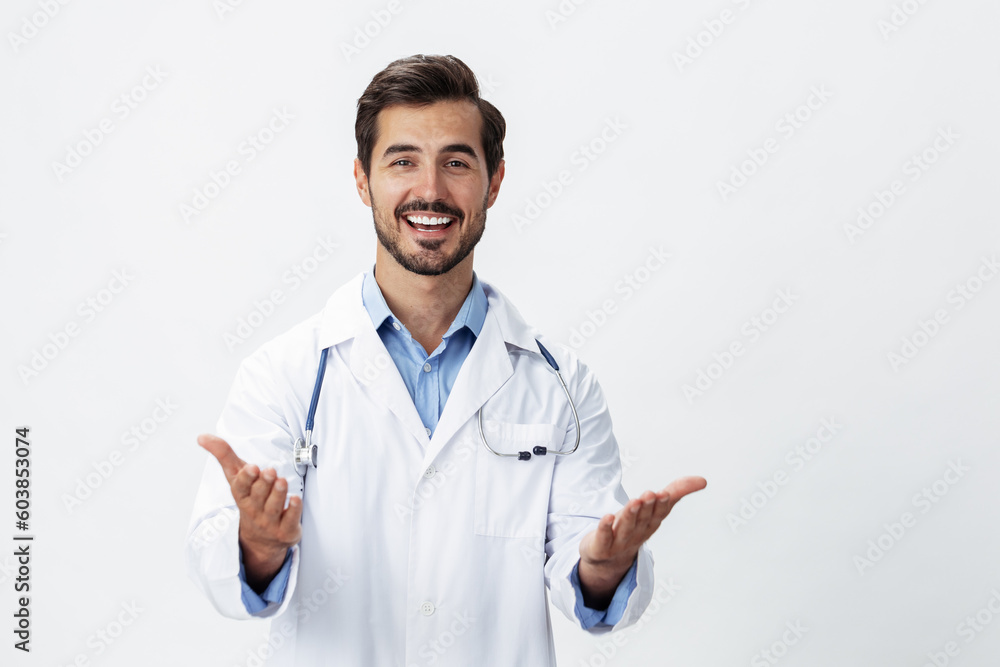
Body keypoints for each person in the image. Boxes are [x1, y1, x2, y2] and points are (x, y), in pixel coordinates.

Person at [185, 53, 706, 666]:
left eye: (456, 163)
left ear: (495, 180)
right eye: (402, 161)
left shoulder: (560, 385)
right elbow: (221, 568)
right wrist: (259, 545)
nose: (429, 190)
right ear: (361, 179)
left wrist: (604, 564)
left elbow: (587, 561)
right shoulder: (286, 375)